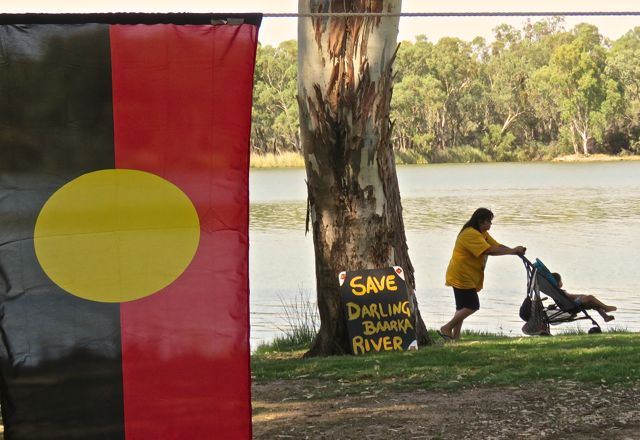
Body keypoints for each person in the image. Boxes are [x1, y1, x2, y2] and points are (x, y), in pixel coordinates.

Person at [438, 208, 526, 341]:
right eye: (489, 221)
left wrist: (514, 251)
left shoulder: (482, 233)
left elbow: (497, 246)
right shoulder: (470, 234)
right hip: (461, 275)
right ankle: (446, 327)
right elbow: (489, 250)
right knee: (472, 306)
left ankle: (455, 338)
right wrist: (512, 251)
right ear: (480, 221)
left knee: (462, 307)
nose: (491, 224)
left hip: (465, 274)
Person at [551, 272, 617, 322]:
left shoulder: (555, 291)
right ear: (557, 282)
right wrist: (581, 296)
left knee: (592, 302)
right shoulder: (560, 292)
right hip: (573, 305)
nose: (562, 282)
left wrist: (581, 296)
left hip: (570, 304)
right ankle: (606, 307)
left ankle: (605, 317)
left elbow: (567, 298)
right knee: (590, 297)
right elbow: (570, 296)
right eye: (560, 281)